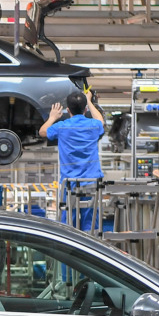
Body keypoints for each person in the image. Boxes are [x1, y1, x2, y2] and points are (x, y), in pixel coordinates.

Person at [40, 89, 105, 231]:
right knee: (91, 226)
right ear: (86, 109)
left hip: (70, 184)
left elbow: (43, 131)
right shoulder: (93, 125)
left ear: (67, 110)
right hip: (91, 182)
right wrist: (88, 100)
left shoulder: (62, 126)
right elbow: (100, 120)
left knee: (69, 227)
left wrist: (52, 117)